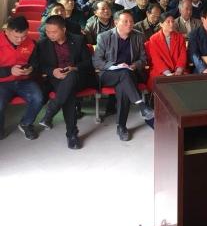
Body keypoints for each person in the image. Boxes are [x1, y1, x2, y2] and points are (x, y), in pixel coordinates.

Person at [31, 15, 95, 149]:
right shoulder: (42, 44)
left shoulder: (78, 40)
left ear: (64, 30)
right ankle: (71, 134)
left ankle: (51, 111)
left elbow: (89, 62)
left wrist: (74, 68)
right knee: (68, 93)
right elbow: (36, 65)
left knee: (71, 77)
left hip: (78, 78)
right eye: (48, 31)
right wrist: (52, 71)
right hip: (56, 78)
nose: (50, 35)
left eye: (54, 32)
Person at [92, 10, 154, 141]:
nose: (129, 24)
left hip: (130, 73)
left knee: (123, 87)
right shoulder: (104, 37)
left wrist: (134, 65)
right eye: (125, 21)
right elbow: (97, 61)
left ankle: (121, 127)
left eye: (131, 21)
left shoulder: (138, 36)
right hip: (109, 74)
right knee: (124, 74)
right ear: (116, 23)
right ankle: (141, 106)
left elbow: (143, 59)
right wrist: (115, 66)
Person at [0, 16, 44, 140]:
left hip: (24, 80)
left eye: (23, 36)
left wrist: (32, 69)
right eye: (16, 37)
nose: (20, 40)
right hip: (2, 83)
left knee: (38, 98)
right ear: (7, 31)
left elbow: (37, 64)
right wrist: (9, 70)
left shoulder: (32, 44)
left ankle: (26, 123)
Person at [146, 12, 188, 91]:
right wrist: (168, 73)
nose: (171, 24)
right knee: (162, 84)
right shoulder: (153, 39)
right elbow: (156, 60)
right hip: (160, 71)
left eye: (173, 21)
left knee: (186, 83)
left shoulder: (180, 37)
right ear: (161, 24)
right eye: (168, 22)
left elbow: (183, 55)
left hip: (178, 70)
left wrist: (179, 70)